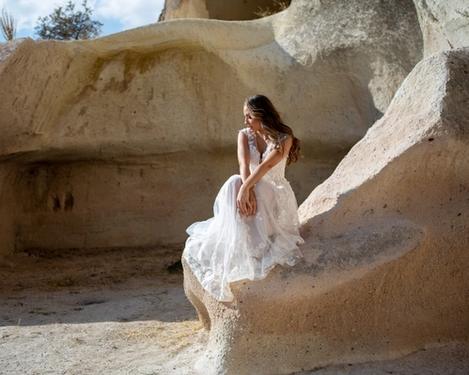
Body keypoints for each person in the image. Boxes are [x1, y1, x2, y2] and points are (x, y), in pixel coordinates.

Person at [182, 94, 304, 302]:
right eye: (244, 116)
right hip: (253, 187)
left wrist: (247, 188)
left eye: (249, 116)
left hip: (274, 191)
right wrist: (245, 189)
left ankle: (260, 243)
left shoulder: (284, 137)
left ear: (261, 115)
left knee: (259, 187)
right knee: (232, 182)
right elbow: (244, 166)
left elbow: (266, 167)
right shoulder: (245, 135)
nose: (245, 121)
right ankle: (241, 236)